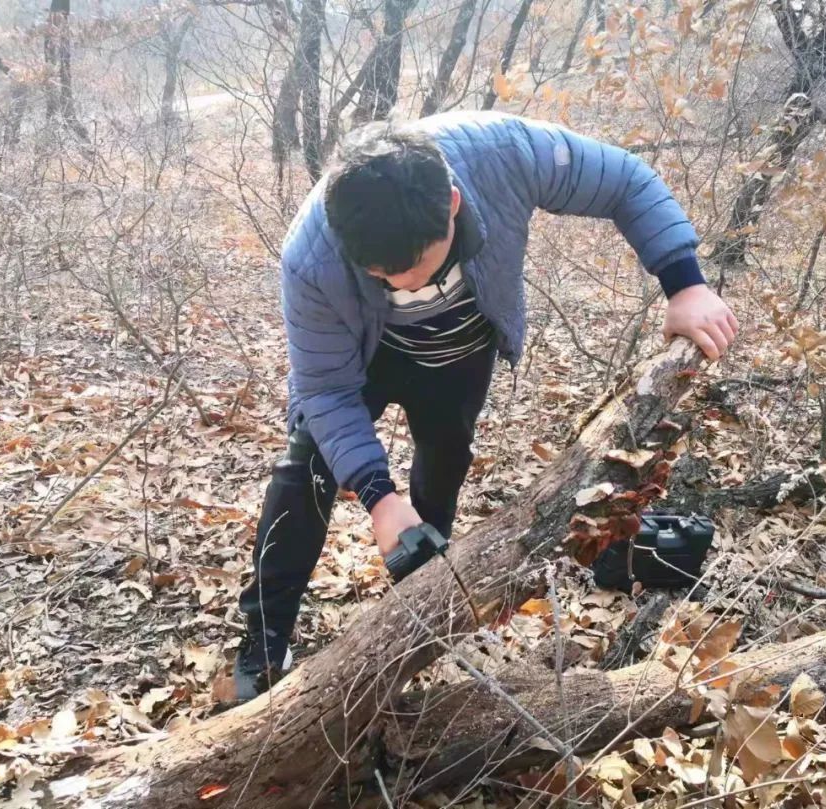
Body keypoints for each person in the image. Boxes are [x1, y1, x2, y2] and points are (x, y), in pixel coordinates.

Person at [233, 111, 738, 700]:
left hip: (459, 353)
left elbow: (624, 179)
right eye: (380, 275)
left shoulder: (505, 152)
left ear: (450, 204)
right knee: (306, 471)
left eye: (412, 269)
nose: (398, 285)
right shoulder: (311, 254)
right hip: (363, 357)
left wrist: (685, 283)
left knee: (444, 463)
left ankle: (417, 609)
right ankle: (265, 634)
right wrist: (377, 497)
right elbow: (324, 390)